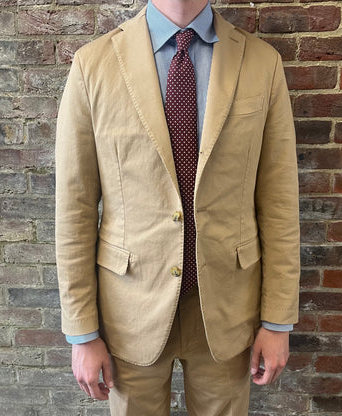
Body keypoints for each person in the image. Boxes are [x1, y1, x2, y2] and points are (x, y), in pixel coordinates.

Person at [55, 0, 300, 414]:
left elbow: (278, 202)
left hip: (228, 308)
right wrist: (82, 332)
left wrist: (277, 322)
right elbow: (74, 208)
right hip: (129, 310)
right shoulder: (93, 65)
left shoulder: (261, 63)